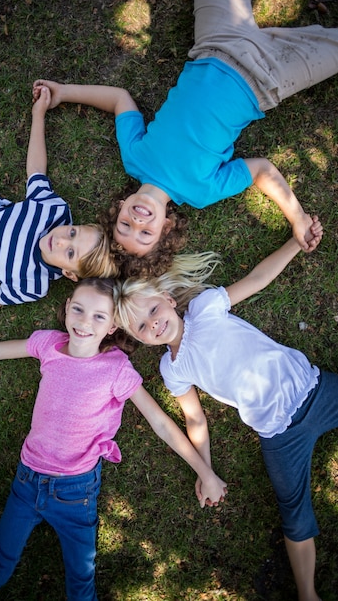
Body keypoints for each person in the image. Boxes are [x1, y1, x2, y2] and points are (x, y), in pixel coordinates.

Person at [0, 277, 227, 601]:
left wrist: (205, 472)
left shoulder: (116, 368)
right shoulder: (48, 344)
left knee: (81, 584)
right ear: (67, 308)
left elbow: (161, 423)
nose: (84, 321)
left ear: (112, 326)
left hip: (75, 492)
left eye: (99, 316)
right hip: (26, 482)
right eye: (79, 309)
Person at [33, 0, 338, 277]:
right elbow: (261, 170)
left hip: (217, 43)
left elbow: (120, 100)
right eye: (145, 234)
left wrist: (64, 92)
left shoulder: (135, 158)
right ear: (165, 227)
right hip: (268, 78)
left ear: (120, 207)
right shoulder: (200, 192)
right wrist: (297, 218)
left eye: (125, 226)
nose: (137, 223)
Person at [113, 217, 330, 601]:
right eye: (141, 329)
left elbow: (257, 279)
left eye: (151, 312)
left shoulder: (205, 307)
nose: (153, 325)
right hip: (279, 432)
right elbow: (195, 418)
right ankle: (307, 593)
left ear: (166, 299)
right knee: (294, 513)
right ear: (140, 341)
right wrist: (206, 469)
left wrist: (297, 243)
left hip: (313, 389)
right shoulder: (173, 369)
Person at [0, 85, 117, 342]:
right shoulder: (51, 211)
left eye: (70, 252)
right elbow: (36, 171)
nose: (60, 240)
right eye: (72, 232)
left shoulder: (32, 284)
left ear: (69, 274)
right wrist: (39, 114)